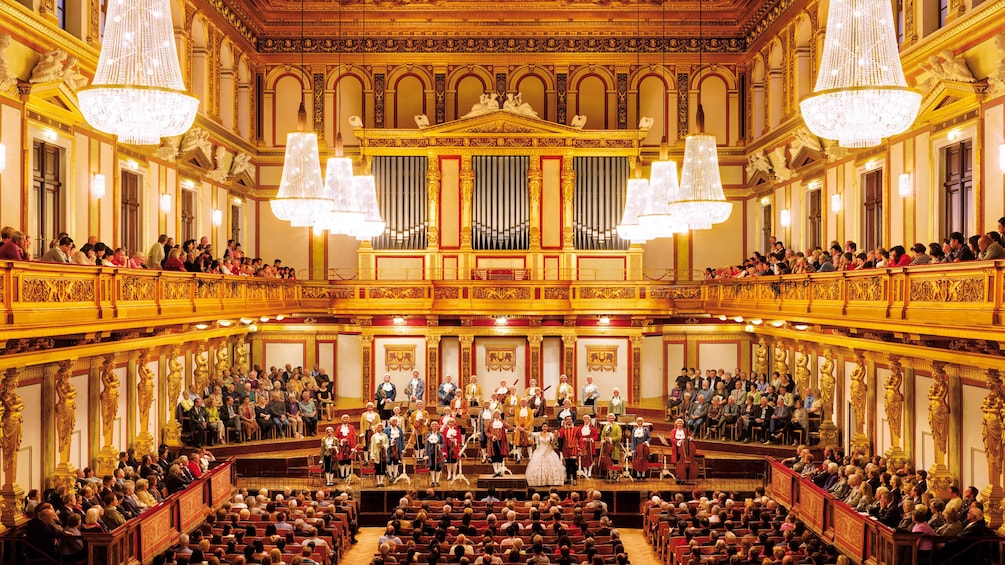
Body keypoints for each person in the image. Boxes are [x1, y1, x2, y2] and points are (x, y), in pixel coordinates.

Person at [557, 416, 581, 485]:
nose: (569, 421)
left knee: (573, 464)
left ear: (572, 420)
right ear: (565, 421)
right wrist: (557, 434)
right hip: (565, 448)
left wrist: (580, 447)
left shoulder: (576, 429)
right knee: (567, 464)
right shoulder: (562, 429)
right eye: (567, 419)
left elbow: (580, 438)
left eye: (570, 419)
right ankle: (568, 478)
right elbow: (560, 437)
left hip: (573, 448)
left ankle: (574, 479)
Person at [426, 420, 446, 486]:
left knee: (438, 467)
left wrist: (439, 445)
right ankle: (432, 481)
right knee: (431, 466)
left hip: (438, 453)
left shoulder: (440, 435)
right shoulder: (428, 435)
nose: (434, 427)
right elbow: (427, 445)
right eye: (433, 426)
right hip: (431, 452)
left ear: (437, 427)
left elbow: (443, 444)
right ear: (431, 427)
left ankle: (437, 481)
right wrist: (426, 454)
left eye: (435, 426)